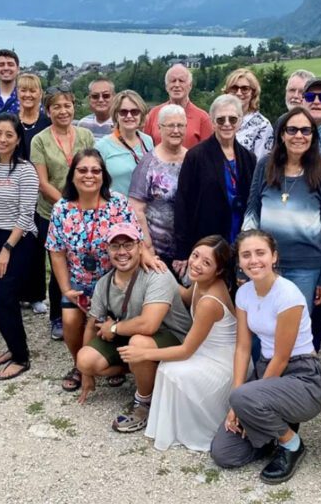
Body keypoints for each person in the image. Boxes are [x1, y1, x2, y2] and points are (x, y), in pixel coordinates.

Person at [210, 230, 321, 484]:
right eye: (246, 255)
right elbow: (243, 348)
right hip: (267, 369)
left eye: (260, 253)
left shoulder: (288, 294)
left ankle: (291, 444)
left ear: (274, 256)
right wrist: (237, 404)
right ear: (239, 262)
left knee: (243, 397)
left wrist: (243, 401)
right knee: (224, 453)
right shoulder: (243, 293)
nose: (254, 260)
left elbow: (282, 357)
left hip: (302, 376)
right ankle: (273, 430)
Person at [75, 223, 193, 433]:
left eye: (128, 245)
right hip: (130, 335)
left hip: (171, 335)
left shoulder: (157, 274)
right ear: (108, 250)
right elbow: (92, 324)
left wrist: (113, 328)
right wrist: (84, 373)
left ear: (140, 247)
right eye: (115, 246)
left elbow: (149, 324)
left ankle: (144, 403)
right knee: (85, 360)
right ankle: (140, 371)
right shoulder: (104, 283)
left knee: (138, 343)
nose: (122, 252)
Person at [123, 235, 237, 451]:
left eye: (207, 263)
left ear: (219, 270)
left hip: (223, 361)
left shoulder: (210, 302)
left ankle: (189, 428)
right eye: (195, 255)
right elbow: (184, 295)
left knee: (171, 371)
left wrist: (143, 354)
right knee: (168, 368)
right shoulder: (201, 282)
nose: (196, 264)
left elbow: (185, 351)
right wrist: (159, 268)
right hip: (207, 350)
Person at [243, 107, 321, 351]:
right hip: (263, 264)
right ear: (281, 134)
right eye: (292, 129)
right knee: (258, 329)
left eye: (306, 130)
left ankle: (288, 376)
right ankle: (259, 375)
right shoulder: (265, 166)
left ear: (313, 136)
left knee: (293, 334)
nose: (299, 136)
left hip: (305, 267)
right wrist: (242, 262)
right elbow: (252, 214)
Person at [44, 150, 140, 392]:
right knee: (70, 321)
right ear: (72, 175)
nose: (89, 175)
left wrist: (150, 258)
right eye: (83, 170)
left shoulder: (117, 203)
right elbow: (57, 252)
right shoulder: (61, 209)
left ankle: (111, 361)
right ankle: (80, 365)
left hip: (113, 281)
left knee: (109, 325)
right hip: (78, 280)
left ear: (103, 175)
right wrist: (66, 288)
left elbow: (136, 238)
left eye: (96, 170)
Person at [0, 113, 40, 381]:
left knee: (5, 296)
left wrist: (6, 248)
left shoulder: (25, 170)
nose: (2, 139)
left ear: (17, 140)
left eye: (9, 135)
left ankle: (21, 358)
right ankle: (14, 346)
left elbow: (26, 215)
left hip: (18, 239)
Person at [32, 88, 95, 340]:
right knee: (59, 265)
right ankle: (58, 316)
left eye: (67, 105)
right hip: (52, 213)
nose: (63, 111)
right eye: (56, 106)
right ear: (48, 111)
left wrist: (83, 207)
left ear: (74, 107)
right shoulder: (40, 140)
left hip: (86, 211)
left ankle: (88, 311)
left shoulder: (86, 135)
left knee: (84, 264)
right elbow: (43, 182)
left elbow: (93, 169)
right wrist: (68, 208)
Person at [173, 94, 255, 277]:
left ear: (240, 120)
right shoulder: (196, 156)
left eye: (232, 119)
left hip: (239, 237)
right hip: (207, 239)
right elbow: (182, 203)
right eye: (220, 119)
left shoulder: (248, 158)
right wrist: (182, 250)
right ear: (212, 122)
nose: (227, 124)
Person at [128, 104, 188, 265]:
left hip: (188, 251)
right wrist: (148, 248)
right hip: (157, 252)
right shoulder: (148, 163)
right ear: (159, 128)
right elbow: (136, 208)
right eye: (170, 125)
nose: (176, 130)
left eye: (180, 125)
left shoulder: (193, 159)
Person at [15, 73, 53, 316]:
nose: (28, 95)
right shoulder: (10, 121)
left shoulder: (47, 123)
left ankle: (37, 294)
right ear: (17, 93)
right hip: (15, 191)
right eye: (23, 90)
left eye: (33, 90)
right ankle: (18, 293)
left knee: (38, 245)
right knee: (18, 244)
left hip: (41, 192)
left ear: (40, 94)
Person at [95, 90, 153, 196]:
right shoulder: (102, 146)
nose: (129, 116)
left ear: (141, 114)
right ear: (116, 115)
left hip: (144, 204)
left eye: (135, 111)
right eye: (123, 112)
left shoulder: (147, 141)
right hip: (116, 205)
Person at [145, 63, 213, 148]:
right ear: (166, 86)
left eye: (181, 81)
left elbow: (208, 152)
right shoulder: (154, 114)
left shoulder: (203, 118)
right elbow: (145, 148)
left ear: (190, 86)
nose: (177, 85)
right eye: (173, 81)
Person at [225, 68, 273, 160]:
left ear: (253, 93)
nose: (239, 93)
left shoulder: (262, 126)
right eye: (234, 88)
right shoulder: (219, 120)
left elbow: (261, 163)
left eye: (245, 89)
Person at [75, 77, 115, 141]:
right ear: (89, 99)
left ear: (114, 97)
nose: (100, 100)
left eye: (106, 95)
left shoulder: (121, 123)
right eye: (95, 96)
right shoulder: (83, 124)